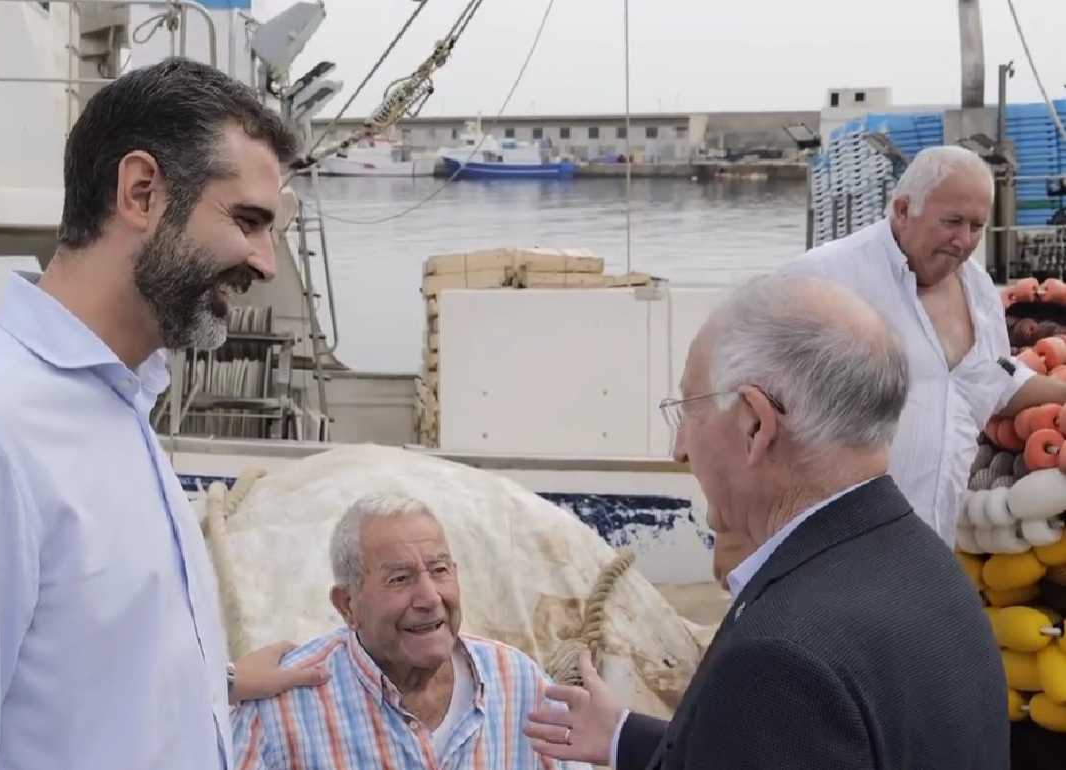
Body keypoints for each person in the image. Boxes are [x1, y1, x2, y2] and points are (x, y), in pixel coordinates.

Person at [0, 57, 327, 770]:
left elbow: (79, 673)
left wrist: (210, 683)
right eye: (247, 220)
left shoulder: (115, 406)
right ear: (141, 191)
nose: (265, 262)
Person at [524, 273, 1008, 770]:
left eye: (690, 411)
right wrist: (624, 737)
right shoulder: (929, 571)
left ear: (755, 423)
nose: (679, 450)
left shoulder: (781, 661)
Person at [777, 144, 1066, 544]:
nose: (964, 241)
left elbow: (991, 380)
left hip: (931, 542)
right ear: (902, 210)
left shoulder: (978, 289)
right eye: (952, 221)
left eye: (977, 226)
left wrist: (1061, 393)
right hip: (833, 546)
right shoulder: (827, 276)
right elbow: (744, 382)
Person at [232, 492, 591, 770]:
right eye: (400, 579)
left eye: (439, 570)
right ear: (347, 605)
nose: (429, 597)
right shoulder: (280, 711)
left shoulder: (522, 686)